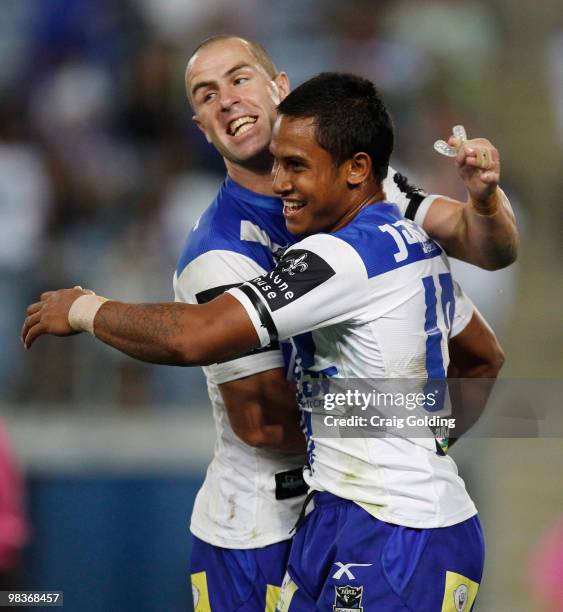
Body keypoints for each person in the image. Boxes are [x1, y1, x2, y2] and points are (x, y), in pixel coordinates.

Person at [23, 71, 505, 611]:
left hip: (400, 535)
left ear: (358, 170)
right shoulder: (413, 238)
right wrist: (424, 435)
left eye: (297, 166)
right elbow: (483, 357)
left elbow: (195, 336)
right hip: (353, 515)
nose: (279, 182)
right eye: (277, 161)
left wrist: (87, 309)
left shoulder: (337, 258)